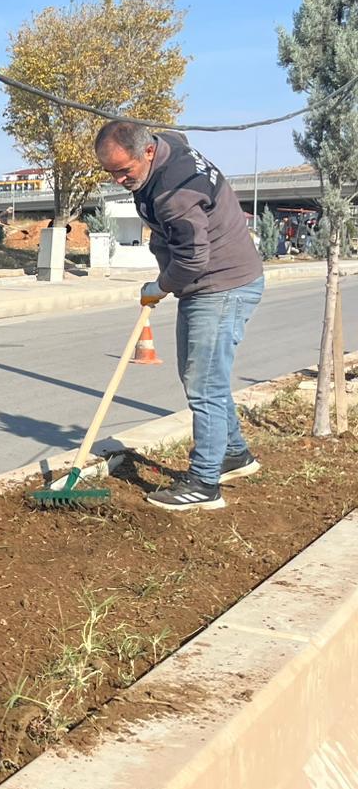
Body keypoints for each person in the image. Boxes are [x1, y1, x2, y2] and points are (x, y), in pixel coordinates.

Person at [95, 120, 265, 511]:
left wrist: (160, 285)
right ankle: (234, 453)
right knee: (203, 376)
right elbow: (179, 137)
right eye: (111, 172)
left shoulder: (176, 194)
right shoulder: (167, 145)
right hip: (211, 283)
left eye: (125, 170)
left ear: (148, 152)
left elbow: (193, 259)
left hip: (221, 285)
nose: (119, 179)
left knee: (204, 384)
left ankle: (205, 484)